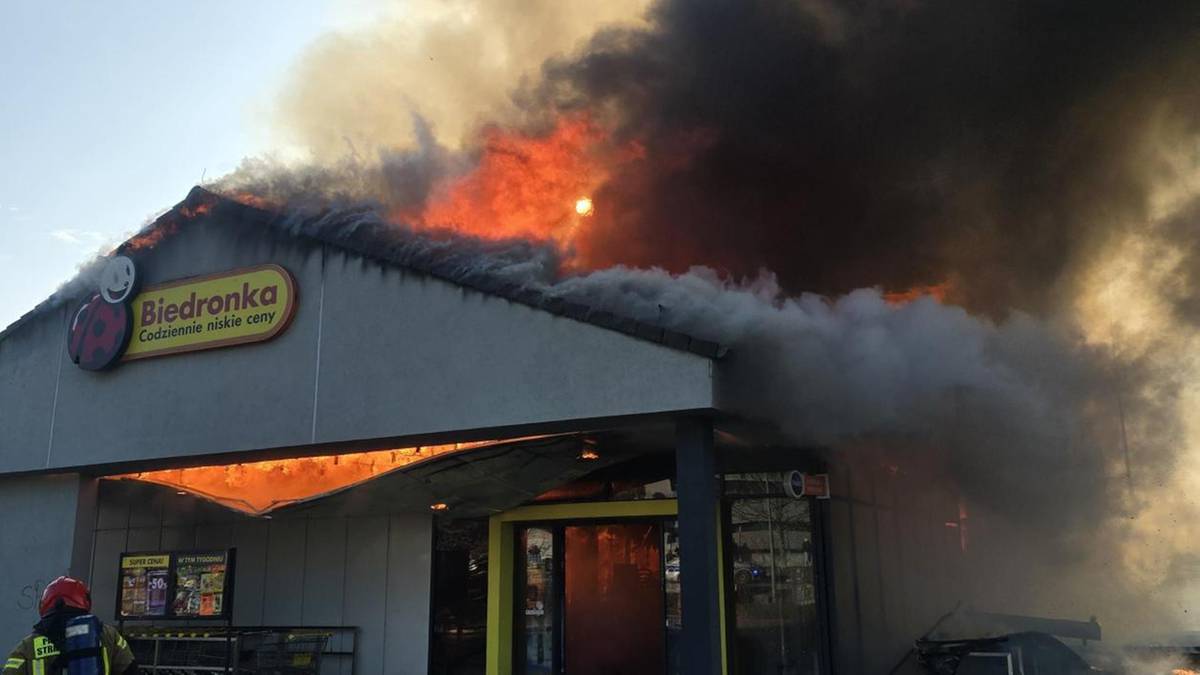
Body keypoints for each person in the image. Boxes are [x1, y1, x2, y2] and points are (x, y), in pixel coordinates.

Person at [4, 577, 138, 675]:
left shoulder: (28, 646)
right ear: (84, 601)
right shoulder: (108, 635)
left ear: (45, 604)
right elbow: (130, 669)